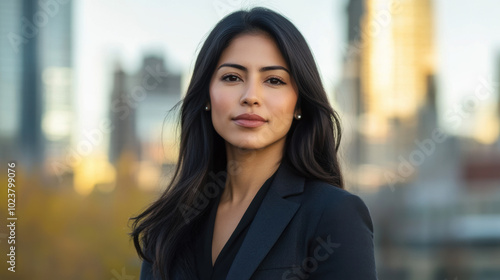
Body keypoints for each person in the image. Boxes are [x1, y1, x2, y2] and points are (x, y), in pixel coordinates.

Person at [130, 7, 377, 280]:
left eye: (274, 80)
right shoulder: (169, 224)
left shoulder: (334, 215)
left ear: (299, 102)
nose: (251, 96)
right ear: (207, 96)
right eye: (232, 77)